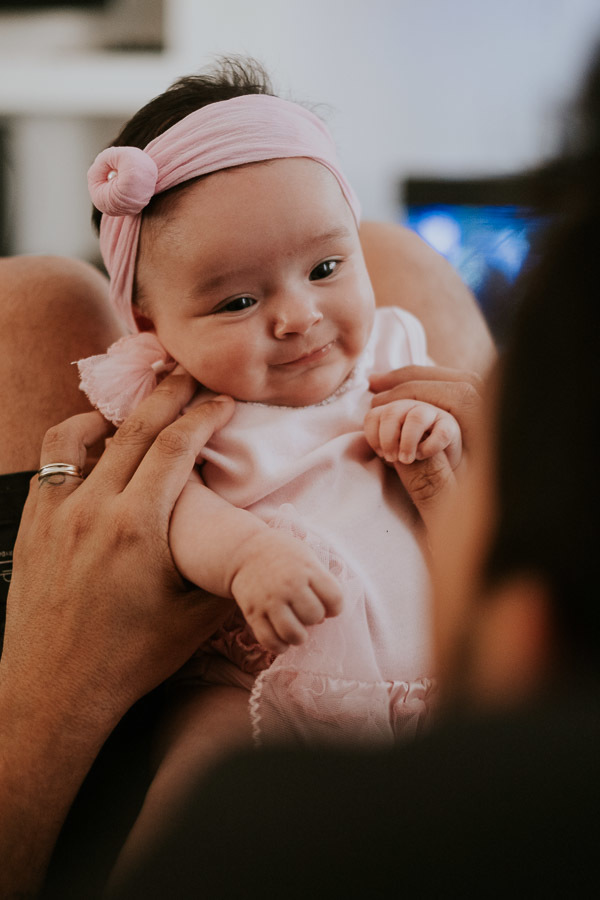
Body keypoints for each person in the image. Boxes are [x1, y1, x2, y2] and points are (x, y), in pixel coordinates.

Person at [63, 58, 482, 871]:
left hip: (428, 672)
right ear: (152, 318)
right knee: (202, 768)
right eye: (237, 302)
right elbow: (169, 513)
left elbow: (454, 484)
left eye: (327, 268)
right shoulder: (177, 405)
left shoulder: (395, 350)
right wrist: (248, 555)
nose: (298, 317)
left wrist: (432, 428)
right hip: (263, 675)